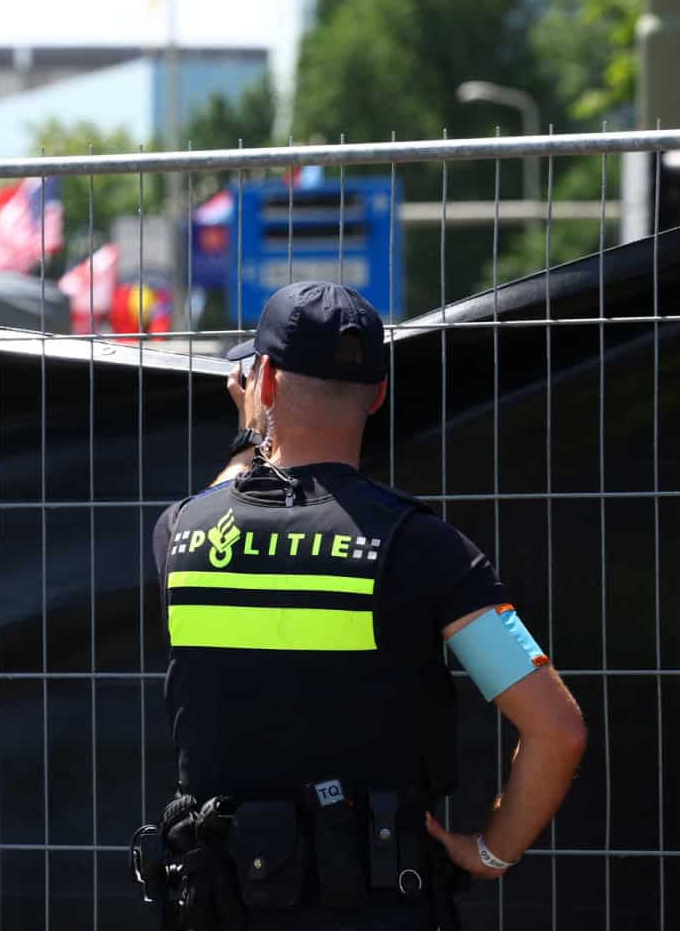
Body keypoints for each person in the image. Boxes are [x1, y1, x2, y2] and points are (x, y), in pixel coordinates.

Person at [131, 282, 586, 930]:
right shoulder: (425, 549)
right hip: (380, 902)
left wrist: (249, 434)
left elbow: (222, 503)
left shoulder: (181, 534)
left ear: (263, 379)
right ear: (378, 395)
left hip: (222, 901)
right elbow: (556, 730)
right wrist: (488, 852)